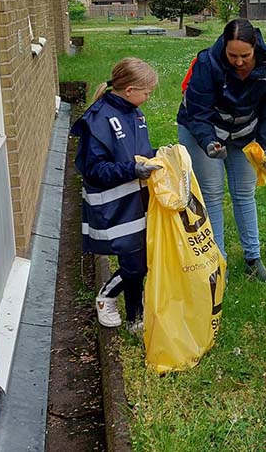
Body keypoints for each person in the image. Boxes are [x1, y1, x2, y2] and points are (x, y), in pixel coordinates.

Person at [178, 18, 266, 283]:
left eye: (244, 56)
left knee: (244, 193)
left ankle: (253, 260)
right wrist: (208, 142)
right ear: (224, 47)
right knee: (212, 193)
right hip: (204, 129)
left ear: (255, 49)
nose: (238, 61)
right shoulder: (207, 63)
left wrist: (264, 143)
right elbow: (198, 112)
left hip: (243, 132)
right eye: (232, 55)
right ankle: (217, 264)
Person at [70, 57, 161, 333]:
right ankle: (107, 297)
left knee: (141, 261)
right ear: (130, 90)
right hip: (113, 206)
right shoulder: (97, 120)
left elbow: (137, 151)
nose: (149, 97)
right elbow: (94, 171)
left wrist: (160, 156)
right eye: (146, 92)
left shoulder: (134, 112)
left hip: (135, 200)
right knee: (134, 264)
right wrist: (132, 169)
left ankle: (136, 317)